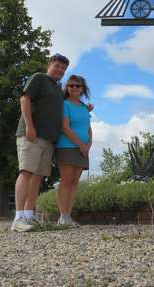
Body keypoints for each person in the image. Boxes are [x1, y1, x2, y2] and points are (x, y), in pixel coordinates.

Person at [12, 53, 69, 232]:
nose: (60, 70)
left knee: (38, 176)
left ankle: (29, 216)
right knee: (26, 172)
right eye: (57, 66)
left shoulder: (58, 89)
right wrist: (29, 125)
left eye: (63, 68)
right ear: (49, 65)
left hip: (48, 139)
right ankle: (18, 218)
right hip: (31, 135)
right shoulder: (39, 78)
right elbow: (24, 99)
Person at [54, 75, 93, 226]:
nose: (74, 88)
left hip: (83, 150)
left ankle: (68, 216)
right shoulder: (64, 105)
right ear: (67, 88)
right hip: (67, 147)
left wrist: (88, 145)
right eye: (71, 85)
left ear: (83, 88)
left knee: (75, 183)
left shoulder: (84, 107)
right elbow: (65, 127)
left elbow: (88, 129)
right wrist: (80, 145)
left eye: (77, 85)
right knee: (66, 181)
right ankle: (62, 217)